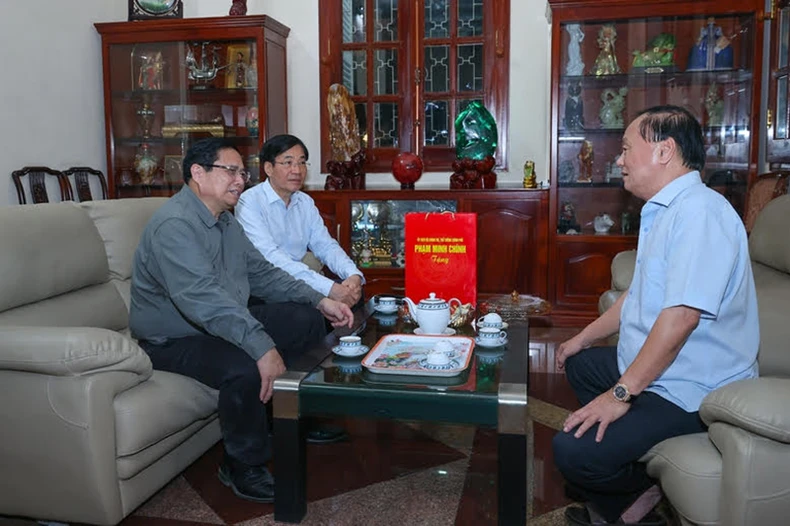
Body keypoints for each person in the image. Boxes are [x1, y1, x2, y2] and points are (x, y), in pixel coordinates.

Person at [553, 105, 759, 526]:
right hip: (663, 370)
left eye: (628, 149)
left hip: (692, 387)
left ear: (664, 151)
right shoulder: (665, 209)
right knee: (579, 363)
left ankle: (630, 509)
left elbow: (682, 317)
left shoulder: (700, 213)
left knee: (570, 451)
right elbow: (637, 295)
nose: (620, 159)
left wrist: (620, 395)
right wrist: (583, 338)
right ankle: (623, 471)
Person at [129, 137, 354, 504]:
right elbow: (204, 301)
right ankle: (241, 464)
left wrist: (320, 300)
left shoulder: (224, 221)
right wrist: (261, 346)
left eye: (241, 172)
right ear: (197, 174)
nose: (240, 180)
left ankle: (282, 419)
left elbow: (263, 274)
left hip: (218, 319)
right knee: (246, 364)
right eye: (230, 171)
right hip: (174, 338)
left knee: (306, 321)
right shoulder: (174, 226)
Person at [235, 134, 365, 307]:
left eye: (302, 162)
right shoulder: (249, 202)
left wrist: (352, 275)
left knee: (355, 299)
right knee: (308, 312)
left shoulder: (304, 202)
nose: (297, 170)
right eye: (288, 162)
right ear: (268, 168)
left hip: (299, 282)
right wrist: (330, 288)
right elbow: (272, 258)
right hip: (266, 285)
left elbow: (325, 246)